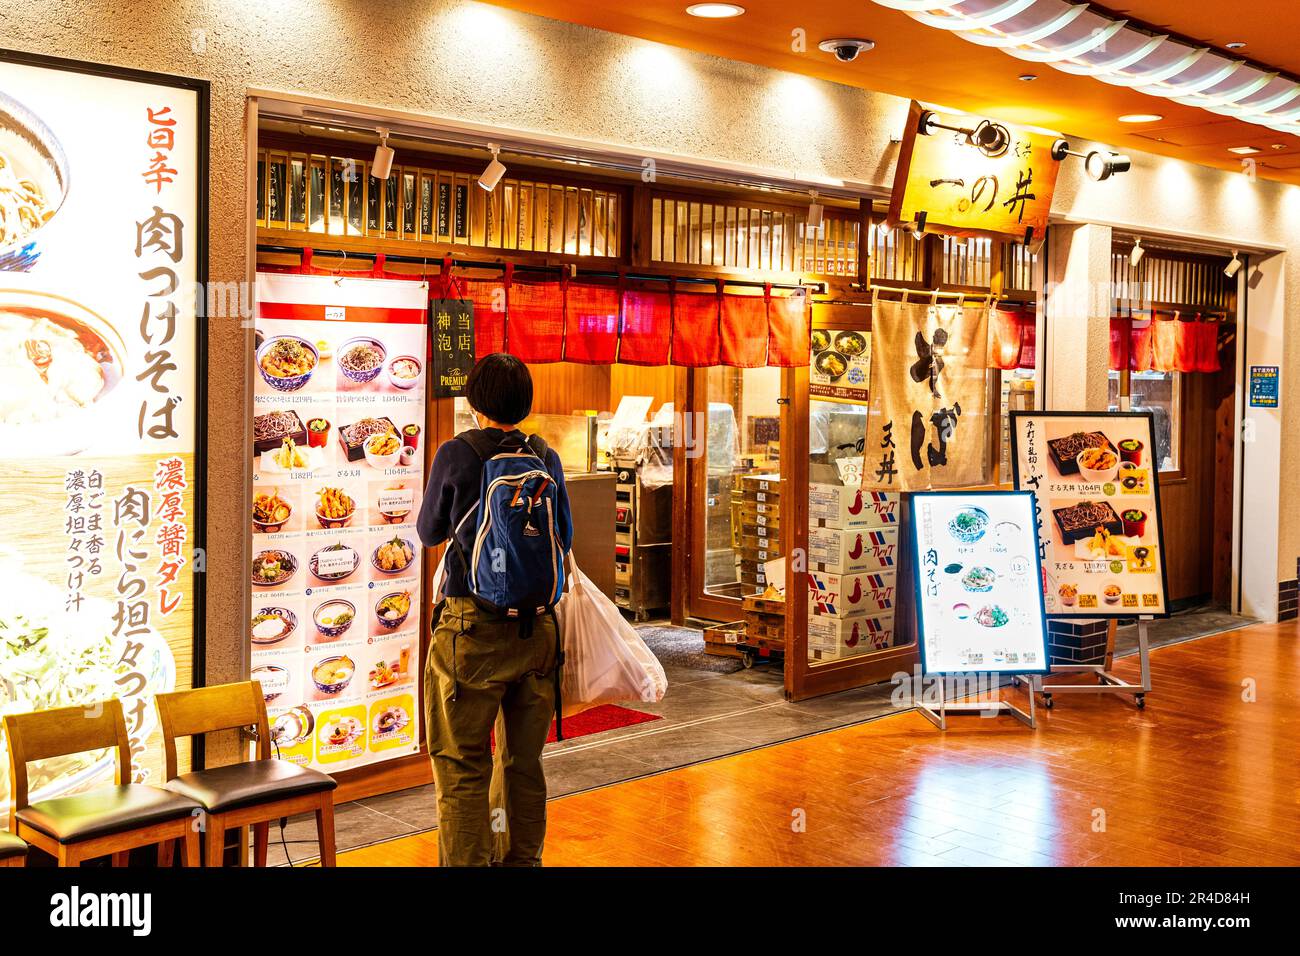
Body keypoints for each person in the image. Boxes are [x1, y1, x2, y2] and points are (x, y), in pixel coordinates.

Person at [417, 353, 573, 867]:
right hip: (538, 634)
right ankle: (522, 862)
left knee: (463, 766)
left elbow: (428, 532)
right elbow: (565, 537)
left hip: (472, 634)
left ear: (475, 402)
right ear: (525, 403)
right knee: (523, 764)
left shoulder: (458, 454)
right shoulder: (544, 455)